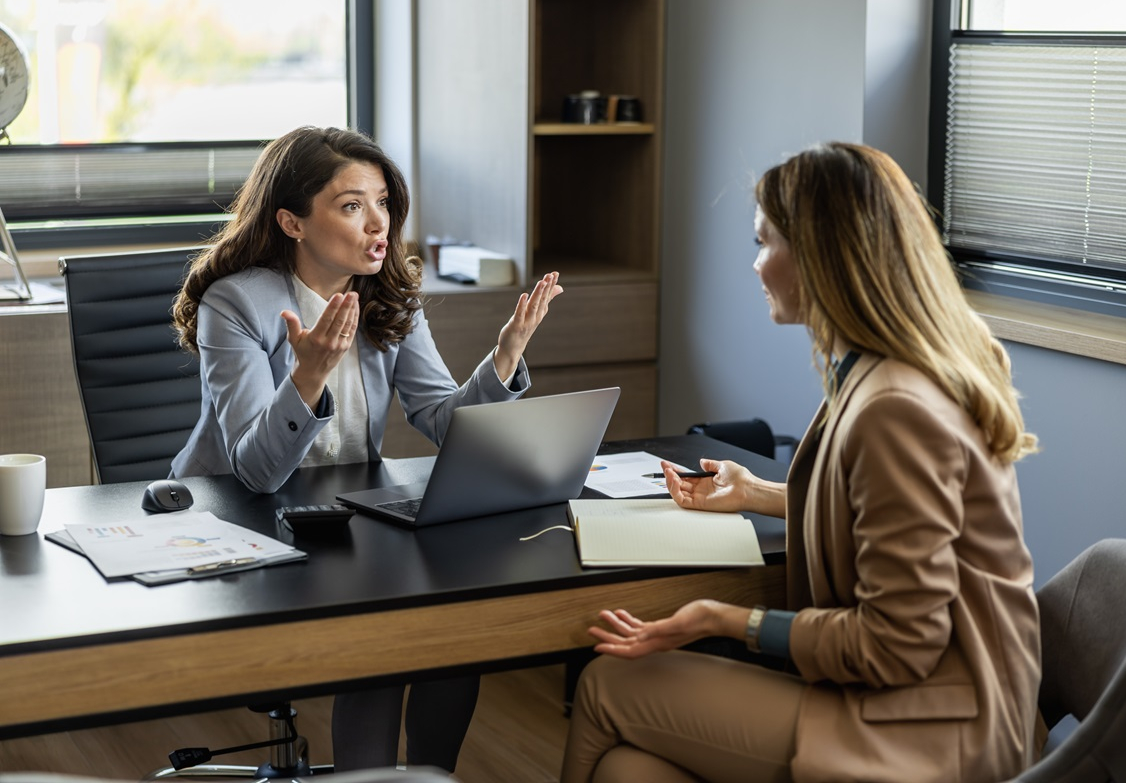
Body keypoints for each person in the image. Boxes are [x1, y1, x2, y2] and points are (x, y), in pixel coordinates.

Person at [560, 142, 1042, 783]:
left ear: (819, 258)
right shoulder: (892, 367)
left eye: (766, 243)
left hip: (934, 727)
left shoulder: (893, 407)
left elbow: (897, 645)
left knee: (606, 684)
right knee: (629, 771)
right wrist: (757, 492)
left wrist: (723, 619)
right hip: (929, 700)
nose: (757, 266)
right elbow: (878, 520)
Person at [170, 125, 562, 773]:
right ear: (292, 222)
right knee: (385, 633)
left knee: (454, 629)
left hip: (343, 517)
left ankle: (432, 777)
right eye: (352, 205)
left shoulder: (387, 293)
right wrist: (308, 375)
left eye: (382, 202)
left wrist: (504, 360)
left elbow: (442, 420)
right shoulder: (235, 302)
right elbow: (254, 470)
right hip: (241, 524)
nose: (378, 223)